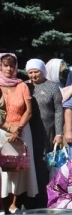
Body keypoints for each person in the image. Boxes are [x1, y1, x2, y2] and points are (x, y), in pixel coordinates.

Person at [0, 53, 38, 213]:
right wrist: (9, 127)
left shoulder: (22, 85)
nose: (9, 68)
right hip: (2, 131)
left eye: (12, 65)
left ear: (16, 67)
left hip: (22, 131)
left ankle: (13, 204)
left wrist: (18, 129)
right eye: (5, 65)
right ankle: (1, 206)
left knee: (18, 169)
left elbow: (29, 111)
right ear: (0, 66)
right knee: (2, 170)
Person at [25, 59, 64, 208]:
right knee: (31, 164)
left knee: (44, 165)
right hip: (29, 131)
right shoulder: (25, 86)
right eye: (31, 72)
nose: (34, 75)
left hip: (48, 132)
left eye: (36, 72)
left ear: (43, 71)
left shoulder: (52, 87)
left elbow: (59, 110)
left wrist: (59, 133)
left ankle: (45, 197)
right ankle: (30, 199)